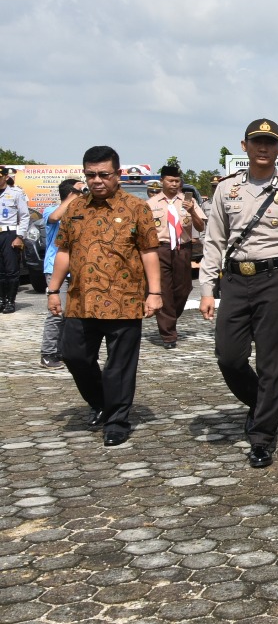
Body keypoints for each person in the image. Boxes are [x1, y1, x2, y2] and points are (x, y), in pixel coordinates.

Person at [199, 119, 278, 469]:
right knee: (229, 356)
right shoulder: (226, 189)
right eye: (257, 142)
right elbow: (213, 241)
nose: (263, 148)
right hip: (236, 281)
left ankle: (263, 436)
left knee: (271, 362)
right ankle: (261, 404)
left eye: (270, 143)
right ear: (244, 146)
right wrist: (207, 288)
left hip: (277, 280)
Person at [45, 146, 162, 445]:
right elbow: (65, 251)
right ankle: (102, 403)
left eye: (103, 174)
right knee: (73, 355)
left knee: (119, 367)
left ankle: (117, 420)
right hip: (82, 299)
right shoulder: (75, 208)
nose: (97, 181)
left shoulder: (137, 208)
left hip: (124, 300)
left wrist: (155, 293)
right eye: (90, 175)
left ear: (118, 174)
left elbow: (149, 252)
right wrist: (53, 290)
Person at [146, 165, 206, 349]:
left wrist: (192, 211)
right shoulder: (151, 204)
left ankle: (170, 318)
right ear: (162, 181)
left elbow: (200, 226)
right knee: (164, 289)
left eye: (177, 181)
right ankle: (168, 334)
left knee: (184, 288)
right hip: (160, 248)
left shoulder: (188, 201)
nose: (174, 184)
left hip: (183, 248)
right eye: (170, 181)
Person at [39, 179, 84, 368]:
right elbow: (55, 218)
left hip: (77, 268)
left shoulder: (82, 212)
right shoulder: (51, 210)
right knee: (57, 313)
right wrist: (74, 195)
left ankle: (64, 350)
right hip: (55, 269)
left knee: (73, 314)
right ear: (70, 193)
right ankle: (48, 353)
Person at [0, 166, 30, 313]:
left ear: (5, 177)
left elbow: (24, 215)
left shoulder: (16, 193)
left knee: (11, 270)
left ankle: (10, 301)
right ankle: (1, 300)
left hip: (9, 233)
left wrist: (20, 237)